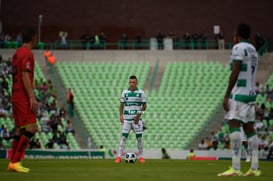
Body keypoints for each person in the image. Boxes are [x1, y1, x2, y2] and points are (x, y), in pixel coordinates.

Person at [218, 24, 261, 176]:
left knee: (233, 125)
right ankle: (254, 168)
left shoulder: (238, 48)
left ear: (237, 34)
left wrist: (227, 94)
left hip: (239, 94)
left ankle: (235, 168)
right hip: (251, 94)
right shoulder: (253, 50)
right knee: (249, 129)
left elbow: (236, 70)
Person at [8, 28, 39, 173]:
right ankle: (16, 161)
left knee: (20, 129)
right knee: (31, 128)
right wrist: (31, 96)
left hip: (15, 94)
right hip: (22, 96)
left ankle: (12, 161)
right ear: (33, 38)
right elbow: (25, 76)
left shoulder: (17, 53)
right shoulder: (27, 54)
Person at [115, 75, 147, 163]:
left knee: (139, 138)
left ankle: (141, 157)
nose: (131, 84)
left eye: (133, 82)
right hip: (127, 119)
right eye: (130, 82)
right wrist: (120, 115)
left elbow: (144, 107)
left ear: (136, 83)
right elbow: (121, 105)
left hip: (137, 120)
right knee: (123, 138)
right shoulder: (124, 92)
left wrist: (137, 116)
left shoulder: (141, 93)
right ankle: (118, 157)